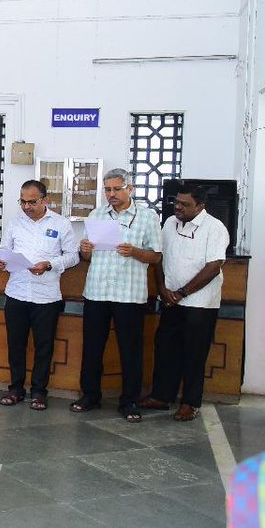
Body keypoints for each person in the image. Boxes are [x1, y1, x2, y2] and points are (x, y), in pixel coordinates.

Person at [71, 168, 161, 423]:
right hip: (97, 290)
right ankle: (90, 395)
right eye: (107, 189)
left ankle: (129, 401)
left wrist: (134, 251)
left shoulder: (147, 217)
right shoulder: (97, 214)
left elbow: (155, 256)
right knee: (92, 347)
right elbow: (86, 256)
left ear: (130, 189)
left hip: (129, 294)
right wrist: (85, 249)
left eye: (116, 189)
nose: (111, 194)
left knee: (130, 350)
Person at [140, 183, 229, 421]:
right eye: (176, 202)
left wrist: (181, 292)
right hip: (170, 300)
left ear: (201, 205)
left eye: (185, 204)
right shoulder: (169, 223)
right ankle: (161, 396)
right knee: (165, 348)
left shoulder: (215, 228)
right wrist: (161, 288)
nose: (178, 207)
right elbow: (159, 256)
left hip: (199, 303)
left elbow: (213, 266)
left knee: (194, 353)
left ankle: (190, 402)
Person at [0, 180, 79, 410]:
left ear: (45, 200)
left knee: (44, 346)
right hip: (17, 293)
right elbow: (4, 252)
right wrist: (1, 263)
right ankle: (16, 388)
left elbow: (73, 256)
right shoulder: (14, 223)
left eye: (32, 202)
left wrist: (50, 264)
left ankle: (39, 392)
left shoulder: (61, 224)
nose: (27, 206)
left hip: (47, 296)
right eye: (23, 201)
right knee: (16, 344)